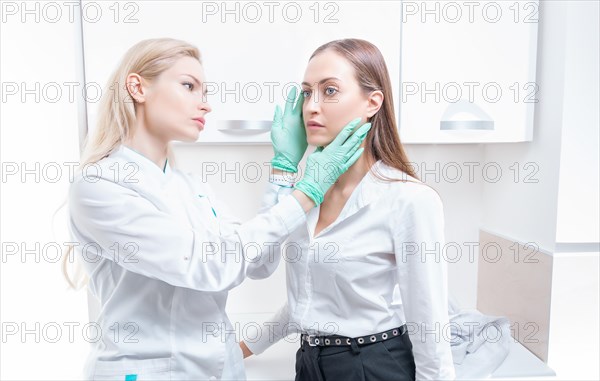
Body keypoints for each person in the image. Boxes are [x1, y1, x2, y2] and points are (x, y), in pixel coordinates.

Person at [63, 37, 371, 380]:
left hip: (219, 369)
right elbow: (212, 264)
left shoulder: (192, 188)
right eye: (189, 86)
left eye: (205, 92)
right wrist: (307, 193)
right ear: (138, 88)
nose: (205, 105)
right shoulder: (100, 186)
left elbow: (259, 262)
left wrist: (284, 172)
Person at [240, 39, 456, 381]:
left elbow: (428, 319)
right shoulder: (305, 197)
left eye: (329, 91)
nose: (312, 106)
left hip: (372, 364)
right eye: (307, 92)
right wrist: (284, 170)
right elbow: (287, 287)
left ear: (372, 102)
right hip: (309, 363)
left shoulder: (408, 200)